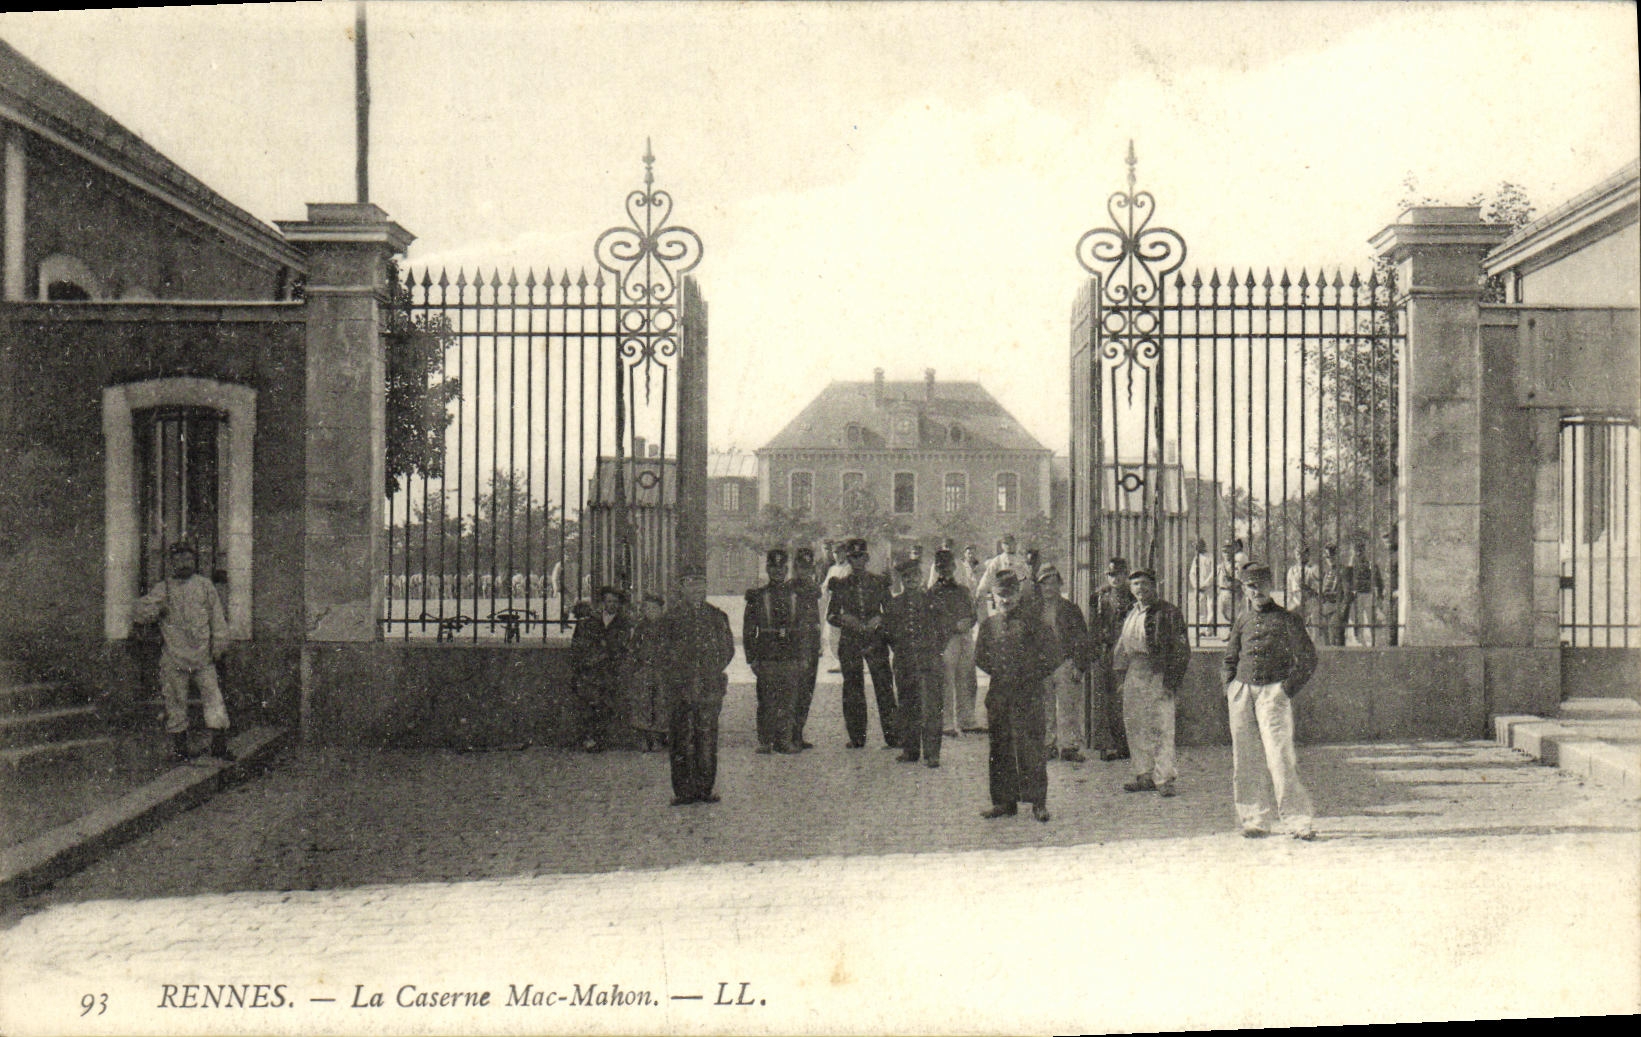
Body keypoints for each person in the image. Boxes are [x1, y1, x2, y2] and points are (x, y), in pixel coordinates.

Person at [1222, 562, 1318, 839]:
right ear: (1244, 589)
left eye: (1262, 585)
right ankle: (1254, 819)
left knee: (1280, 758)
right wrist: (1230, 687)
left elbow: (1308, 660)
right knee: (1245, 758)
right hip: (1242, 693)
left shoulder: (1288, 620)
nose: (1257, 591)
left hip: (1273, 693)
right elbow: (1230, 657)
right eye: (1251, 586)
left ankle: (1298, 821)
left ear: (1270, 586)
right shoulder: (1242, 620)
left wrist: (1285, 690)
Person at [131, 543, 232, 763]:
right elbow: (140, 613)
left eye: (188, 559)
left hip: (203, 656)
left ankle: (219, 746)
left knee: (213, 698)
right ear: (172, 563)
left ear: (194, 562)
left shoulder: (205, 586)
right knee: (175, 701)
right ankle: (180, 749)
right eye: (178, 560)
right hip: (174, 657)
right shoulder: (163, 588)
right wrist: (155, 609)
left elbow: (217, 620)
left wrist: (219, 648)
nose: (183, 564)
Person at [975, 570, 1055, 822]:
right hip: (1000, 695)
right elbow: (981, 657)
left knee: (1031, 748)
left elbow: (1052, 655)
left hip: (1028, 695)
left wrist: (1028, 675)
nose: (1005, 601)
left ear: (1019, 594)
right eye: (1001, 596)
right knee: (1000, 748)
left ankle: (1038, 803)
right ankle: (1003, 802)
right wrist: (1002, 673)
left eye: (1010, 595)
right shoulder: (989, 626)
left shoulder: (1035, 624)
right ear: (994, 597)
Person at [1112, 568, 1191, 796]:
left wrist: (1170, 681)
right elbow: (1121, 647)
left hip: (1157, 672)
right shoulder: (1131, 612)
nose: (1140, 589)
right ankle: (1143, 774)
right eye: (1135, 584)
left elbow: (1181, 650)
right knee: (1135, 724)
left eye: (1145, 584)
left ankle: (1164, 777)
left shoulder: (1168, 613)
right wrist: (1121, 676)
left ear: (1155, 586)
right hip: (1134, 672)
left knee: (1161, 725)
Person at [663, 568, 736, 805]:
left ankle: (705, 788)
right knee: (681, 738)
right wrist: (679, 674)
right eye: (691, 584)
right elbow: (661, 653)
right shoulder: (671, 619)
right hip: (679, 687)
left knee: (706, 737)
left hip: (708, 686)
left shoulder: (717, 617)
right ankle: (683, 790)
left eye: (701, 585)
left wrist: (709, 670)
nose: (697, 590)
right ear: (681, 588)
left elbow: (727, 649)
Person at [827, 538, 898, 748]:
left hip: (875, 640)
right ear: (848, 560)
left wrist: (880, 619)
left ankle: (893, 736)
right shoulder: (840, 585)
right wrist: (844, 619)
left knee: (884, 687)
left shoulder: (878, 582)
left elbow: (891, 612)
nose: (857, 561)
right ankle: (857, 737)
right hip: (850, 640)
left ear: (866, 558)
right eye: (853, 557)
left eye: (860, 557)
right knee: (852, 689)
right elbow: (831, 615)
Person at [885, 553, 946, 767]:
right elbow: (890, 633)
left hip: (928, 662)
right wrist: (902, 652)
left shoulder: (932, 601)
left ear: (921, 577)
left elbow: (943, 631)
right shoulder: (894, 604)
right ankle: (910, 751)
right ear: (901, 580)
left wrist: (933, 651)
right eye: (906, 577)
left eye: (914, 576)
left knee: (930, 707)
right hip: (904, 662)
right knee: (907, 706)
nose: (911, 580)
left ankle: (932, 754)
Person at [744, 548, 803, 755]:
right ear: (767, 569)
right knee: (766, 699)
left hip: (790, 655)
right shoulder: (757, 596)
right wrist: (751, 658)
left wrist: (802, 657)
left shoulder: (796, 596)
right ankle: (765, 740)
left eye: (781, 568)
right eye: (773, 568)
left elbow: (803, 629)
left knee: (788, 700)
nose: (778, 572)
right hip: (767, 655)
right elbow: (749, 629)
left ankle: (784, 741)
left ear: (787, 569)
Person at [1035, 565, 1090, 762]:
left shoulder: (1070, 609)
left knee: (1068, 706)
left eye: (1052, 583)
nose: (1049, 588)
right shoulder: (1034, 609)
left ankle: (1069, 746)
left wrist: (1079, 665)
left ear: (1060, 584)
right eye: (1044, 584)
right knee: (1044, 706)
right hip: (1042, 665)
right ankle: (1048, 745)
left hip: (1064, 662)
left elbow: (1082, 638)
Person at [570, 586, 629, 752]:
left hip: (609, 669)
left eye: (615, 602)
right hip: (592, 669)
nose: (612, 605)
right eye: (609, 601)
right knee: (590, 703)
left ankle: (600, 737)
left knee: (605, 704)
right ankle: (590, 737)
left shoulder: (622, 622)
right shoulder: (592, 621)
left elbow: (620, 646)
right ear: (603, 603)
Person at [927, 548, 979, 737]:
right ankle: (947, 723)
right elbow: (932, 619)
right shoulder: (932, 592)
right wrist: (953, 626)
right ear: (937, 570)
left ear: (954, 567)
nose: (945, 571)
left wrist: (969, 621)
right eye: (941, 568)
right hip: (947, 640)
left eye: (948, 567)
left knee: (966, 678)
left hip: (965, 638)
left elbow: (972, 613)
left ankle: (967, 720)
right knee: (947, 681)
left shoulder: (963, 590)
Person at [1088, 557, 1135, 761]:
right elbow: (1095, 625)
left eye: (1119, 574)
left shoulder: (1133, 597)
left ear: (1126, 575)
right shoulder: (1100, 597)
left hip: (1126, 651)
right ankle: (1107, 743)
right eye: (1111, 575)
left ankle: (1126, 744)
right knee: (1105, 699)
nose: (1115, 578)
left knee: (1124, 698)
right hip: (1106, 651)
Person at [626, 592, 670, 752]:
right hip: (644, 669)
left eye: (655, 608)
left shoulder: (667, 627)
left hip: (662, 670)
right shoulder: (640, 628)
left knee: (661, 703)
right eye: (648, 608)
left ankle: (657, 737)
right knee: (643, 702)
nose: (651, 612)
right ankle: (643, 736)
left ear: (661, 610)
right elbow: (632, 648)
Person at [789, 546, 823, 750]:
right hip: (795, 646)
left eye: (808, 568)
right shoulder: (789, 589)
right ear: (795, 567)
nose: (805, 571)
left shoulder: (813, 589)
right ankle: (789, 735)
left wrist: (817, 644)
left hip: (810, 645)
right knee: (793, 690)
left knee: (806, 691)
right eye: (801, 567)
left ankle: (798, 733)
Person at [821, 543, 853, 672]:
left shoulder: (848, 568)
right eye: (835, 553)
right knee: (829, 634)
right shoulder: (832, 569)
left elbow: (846, 585)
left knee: (841, 634)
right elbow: (825, 585)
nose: (837, 555)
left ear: (845, 553)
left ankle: (844, 661)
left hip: (843, 605)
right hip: (832, 603)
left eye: (840, 552)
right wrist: (825, 589)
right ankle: (838, 660)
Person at [1343, 538, 1379, 646]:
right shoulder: (1352, 564)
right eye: (1357, 550)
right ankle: (1359, 639)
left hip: (1368, 593)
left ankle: (1373, 639)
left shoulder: (1369, 563)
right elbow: (1347, 576)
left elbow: (1376, 577)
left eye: (1361, 550)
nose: (1359, 553)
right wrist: (1351, 561)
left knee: (1370, 616)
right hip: (1357, 593)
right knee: (1358, 618)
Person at [1186, 538, 1215, 637]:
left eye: (1198, 546)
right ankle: (1202, 628)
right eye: (1195, 547)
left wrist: (1206, 584)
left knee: (1210, 607)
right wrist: (1196, 585)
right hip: (1199, 588)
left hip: (1209, 587)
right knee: (1201, 608)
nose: (1196, 549)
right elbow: (1192, 573)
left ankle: (1209, 629)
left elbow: (1213, 572)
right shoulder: (1196, 558)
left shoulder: (1210, 557)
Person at [1216, 539, 1247, 630]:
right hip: (1222, 591)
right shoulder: (1220, 565)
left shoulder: (1236, 564)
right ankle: (1233, 630)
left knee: (1234, 614)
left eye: (1228, 551)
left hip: (1232, 592)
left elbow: (1240, 577)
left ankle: (1233, 632)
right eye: (1224, 552)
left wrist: (1233, 578)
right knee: (1223, 612)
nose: (1226, 554)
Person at [1286, 546, 1320, 628]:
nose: (1300, 556)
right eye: (1298, 554)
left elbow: (1318, 589)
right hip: (1296, 603)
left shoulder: (1313, 569)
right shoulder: (1292, 571)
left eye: (1303, 553)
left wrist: (1307, 589)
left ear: (1308, 554)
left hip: (1310, 603)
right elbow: (1289, 590)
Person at [1319, 543, 1346, 646]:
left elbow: (1345, 593)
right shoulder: (1326, 571)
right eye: (1327, 557)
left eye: (1332, 556)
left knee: (1335, 637)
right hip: (1325, 607)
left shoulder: (1342, 570)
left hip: (1336, 607)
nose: (1330, 559)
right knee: (1326, 640)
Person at [1380, 529, 1399, 647]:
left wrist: (1399, 590)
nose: (1386, 544)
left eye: (1388, 541)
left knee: (1394, 622)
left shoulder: (1398, 555)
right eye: (1384, 542)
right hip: (1388, 593)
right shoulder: (1388, 555)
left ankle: (1392, 645)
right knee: (1388, 622)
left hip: (1396, 593)